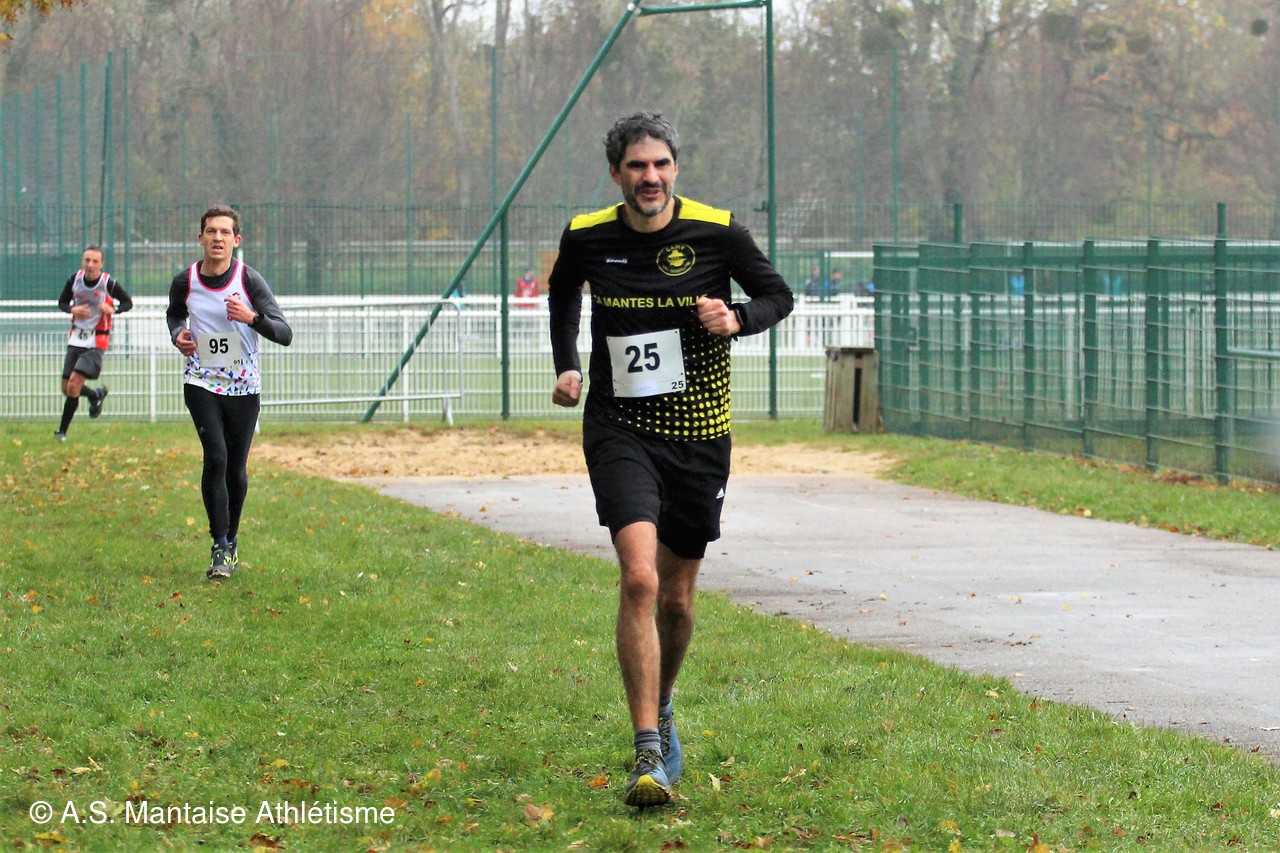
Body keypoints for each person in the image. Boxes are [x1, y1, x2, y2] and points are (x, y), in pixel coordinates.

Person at [547, 112, 793, 808]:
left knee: (678, 601)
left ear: (675, 168)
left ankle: (663, 698)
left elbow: (779, 295)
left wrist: (737, 319)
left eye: (660, 164)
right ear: (616, 173)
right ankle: (647, 750)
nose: (649, 177)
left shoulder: (719, 232)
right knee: (639, 580)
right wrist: (567, 363)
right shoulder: (587, 235)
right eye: (636, 166)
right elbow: (563, 293)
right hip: (619, 428)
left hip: (698, 435)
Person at [166, 205, 293, 580]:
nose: (217, 238)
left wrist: (251, 317)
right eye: (211, 231)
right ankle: (219, 543)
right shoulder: (185, 281)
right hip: (201, 381)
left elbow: (284, 333)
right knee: (216, 456)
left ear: (236, 240)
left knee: (236, 467)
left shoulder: (249, 280)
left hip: (243, 386)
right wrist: (178, 335)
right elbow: (174, 314)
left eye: (225, 232)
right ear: (200, 238)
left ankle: (232, 539)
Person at [55, 246, 133, 441]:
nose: (90, 265)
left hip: (97, 340)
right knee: (66, 388)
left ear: (101, 264)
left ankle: (62, 432)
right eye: (87, 260)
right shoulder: (75, 279)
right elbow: (62, 302)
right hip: (76, 338)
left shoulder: (108, 283)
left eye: (95, 261)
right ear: (83, 261)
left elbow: (127, 302)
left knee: (74, 384)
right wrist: (72, 309)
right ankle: (95, 395)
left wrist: (113, 309)